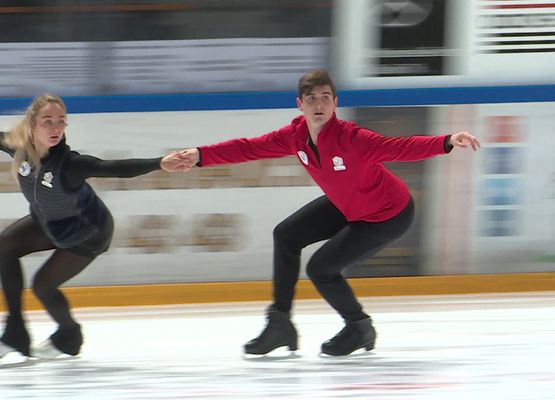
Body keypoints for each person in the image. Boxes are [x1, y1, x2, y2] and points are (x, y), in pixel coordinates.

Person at [176, 70, 481, 356]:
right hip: (346, 203)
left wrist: (446, 142)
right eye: (311, 99)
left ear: (335, 103)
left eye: (325, 97)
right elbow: (248, 148)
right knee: (286, 235)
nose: (318, 104)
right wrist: (201, 155)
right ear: (300, 105)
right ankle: (280, 323)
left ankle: (359, 327)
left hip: (386, 213)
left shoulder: (352, 138)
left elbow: (398, 147)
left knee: (321, 269)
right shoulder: (294, 136)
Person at [0, 94, 190, 360]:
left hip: (87, 231)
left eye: (61, 122)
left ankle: (69, 336)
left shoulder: (71, 165)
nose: (55, 128)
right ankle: (15, 332)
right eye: (48, 121)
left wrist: (159, 163)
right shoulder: (16, 146)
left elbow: (115, 168)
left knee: (43, 285)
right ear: (32, 124)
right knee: (4, 246)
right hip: (48, 222)